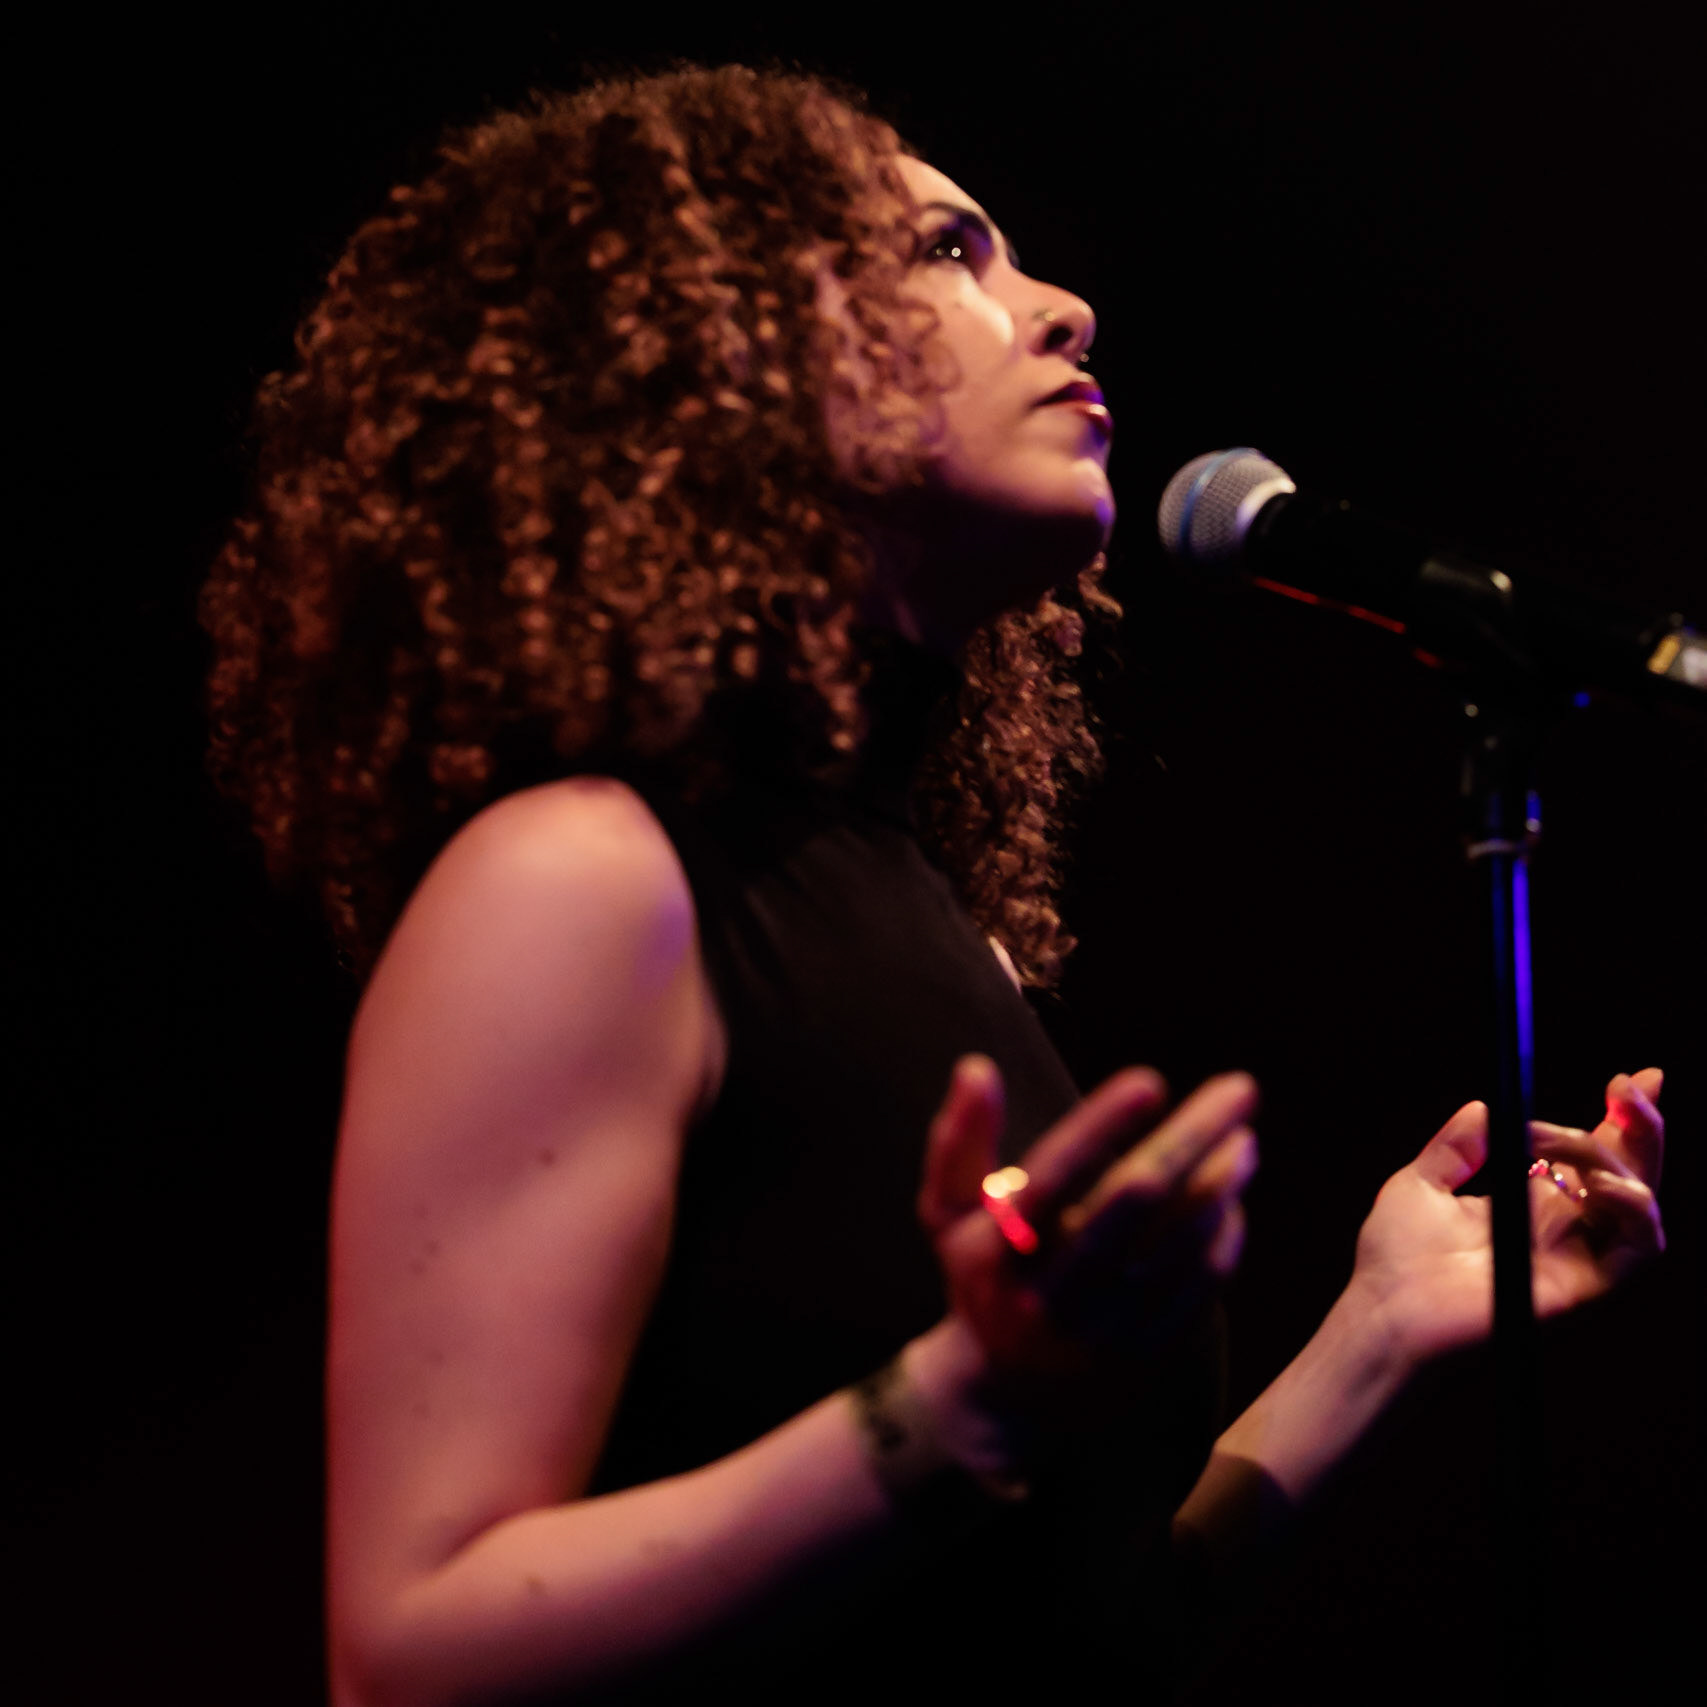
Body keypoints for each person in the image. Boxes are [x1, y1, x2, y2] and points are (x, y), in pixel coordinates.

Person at [197, 60, 1667, 1706]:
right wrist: (959, 1408)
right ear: (721, 361)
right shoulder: (579, 880)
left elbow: (1078, 1628)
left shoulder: (924, 917)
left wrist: (1381, 1328)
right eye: (951, 255)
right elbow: (408, 1657)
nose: (1067, 309)